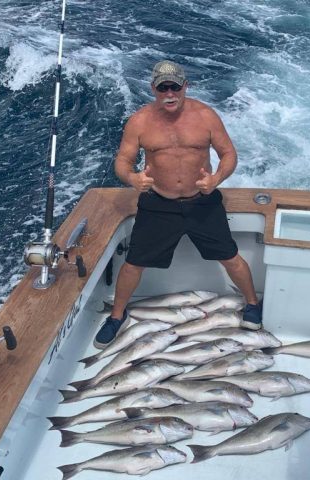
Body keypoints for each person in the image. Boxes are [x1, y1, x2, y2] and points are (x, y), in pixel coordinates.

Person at [94, 60, 262, 349]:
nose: (169, 93)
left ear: (185, 86)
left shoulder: (206, 116)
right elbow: (122, 161)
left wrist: (217, 179)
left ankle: (252, 303)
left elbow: (228, 154)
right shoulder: (139, 121)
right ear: (153, 90)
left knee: (230, 256)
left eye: (174, 87)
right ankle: (117, 316)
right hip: (159, 204)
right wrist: (133, 179)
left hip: (203, 202)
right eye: (162, 88)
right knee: (133, 263)